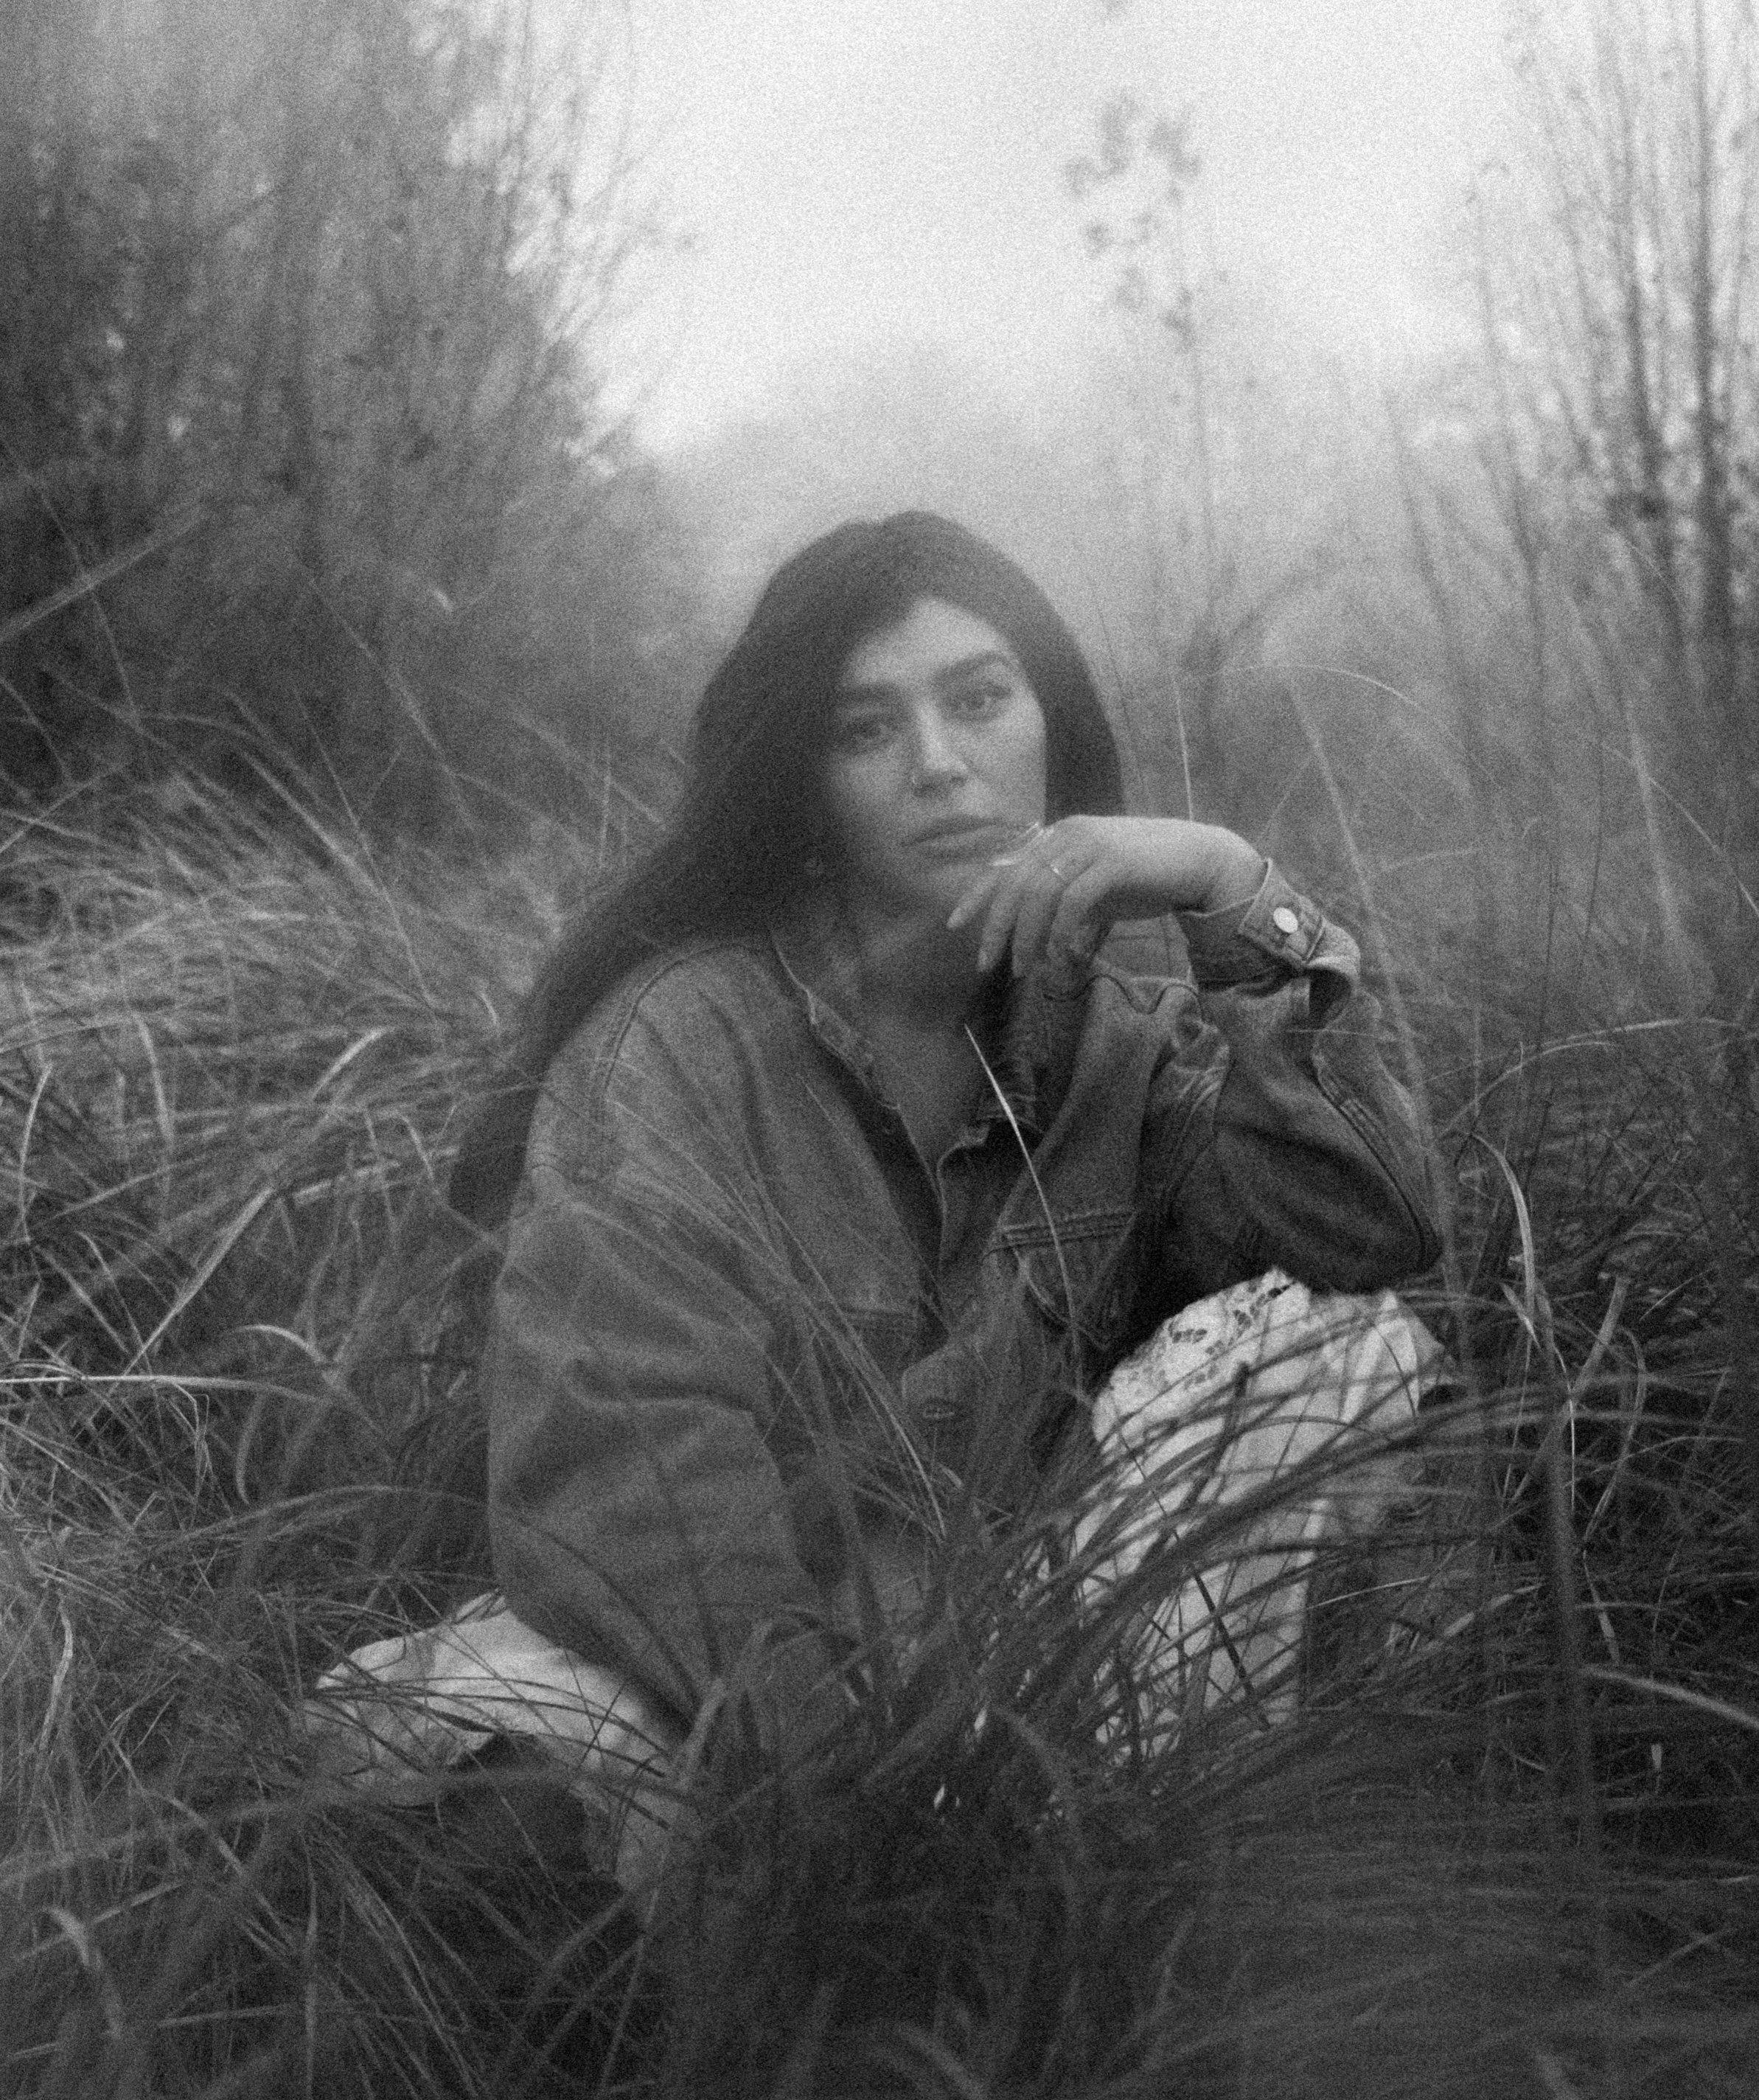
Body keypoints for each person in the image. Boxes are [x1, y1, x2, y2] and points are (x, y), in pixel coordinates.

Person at [434, 510, 1442, 1785]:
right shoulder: (681, 1041)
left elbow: (1376, 1220)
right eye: (865, 730)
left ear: (1051, 731)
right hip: (752, 1690)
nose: (937, 765)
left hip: (1039, 1666)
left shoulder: (1125, 1053)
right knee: (485, 1735)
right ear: (804, 788)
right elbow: (630, 1468)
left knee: (1336, 1342)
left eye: (978, 701)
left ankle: (1156, 1895)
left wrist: (1230, 881)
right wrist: (862, 1774)